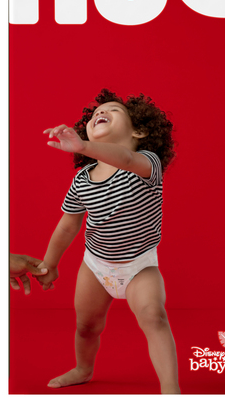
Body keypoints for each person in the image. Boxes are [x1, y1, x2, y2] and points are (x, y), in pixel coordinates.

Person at [37, 88, 179, 393]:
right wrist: (50, 263)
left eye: (114, 111)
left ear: (138, 131)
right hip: (96, 266)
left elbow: (125, 158)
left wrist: (85, 146)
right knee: (86, 326)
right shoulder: (82, 179)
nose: (100, 113)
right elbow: (68, 226)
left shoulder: (146, 165)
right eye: (95, 114)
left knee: (154, 317)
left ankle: (171, 390)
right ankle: (83, 368)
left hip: (139, 266)